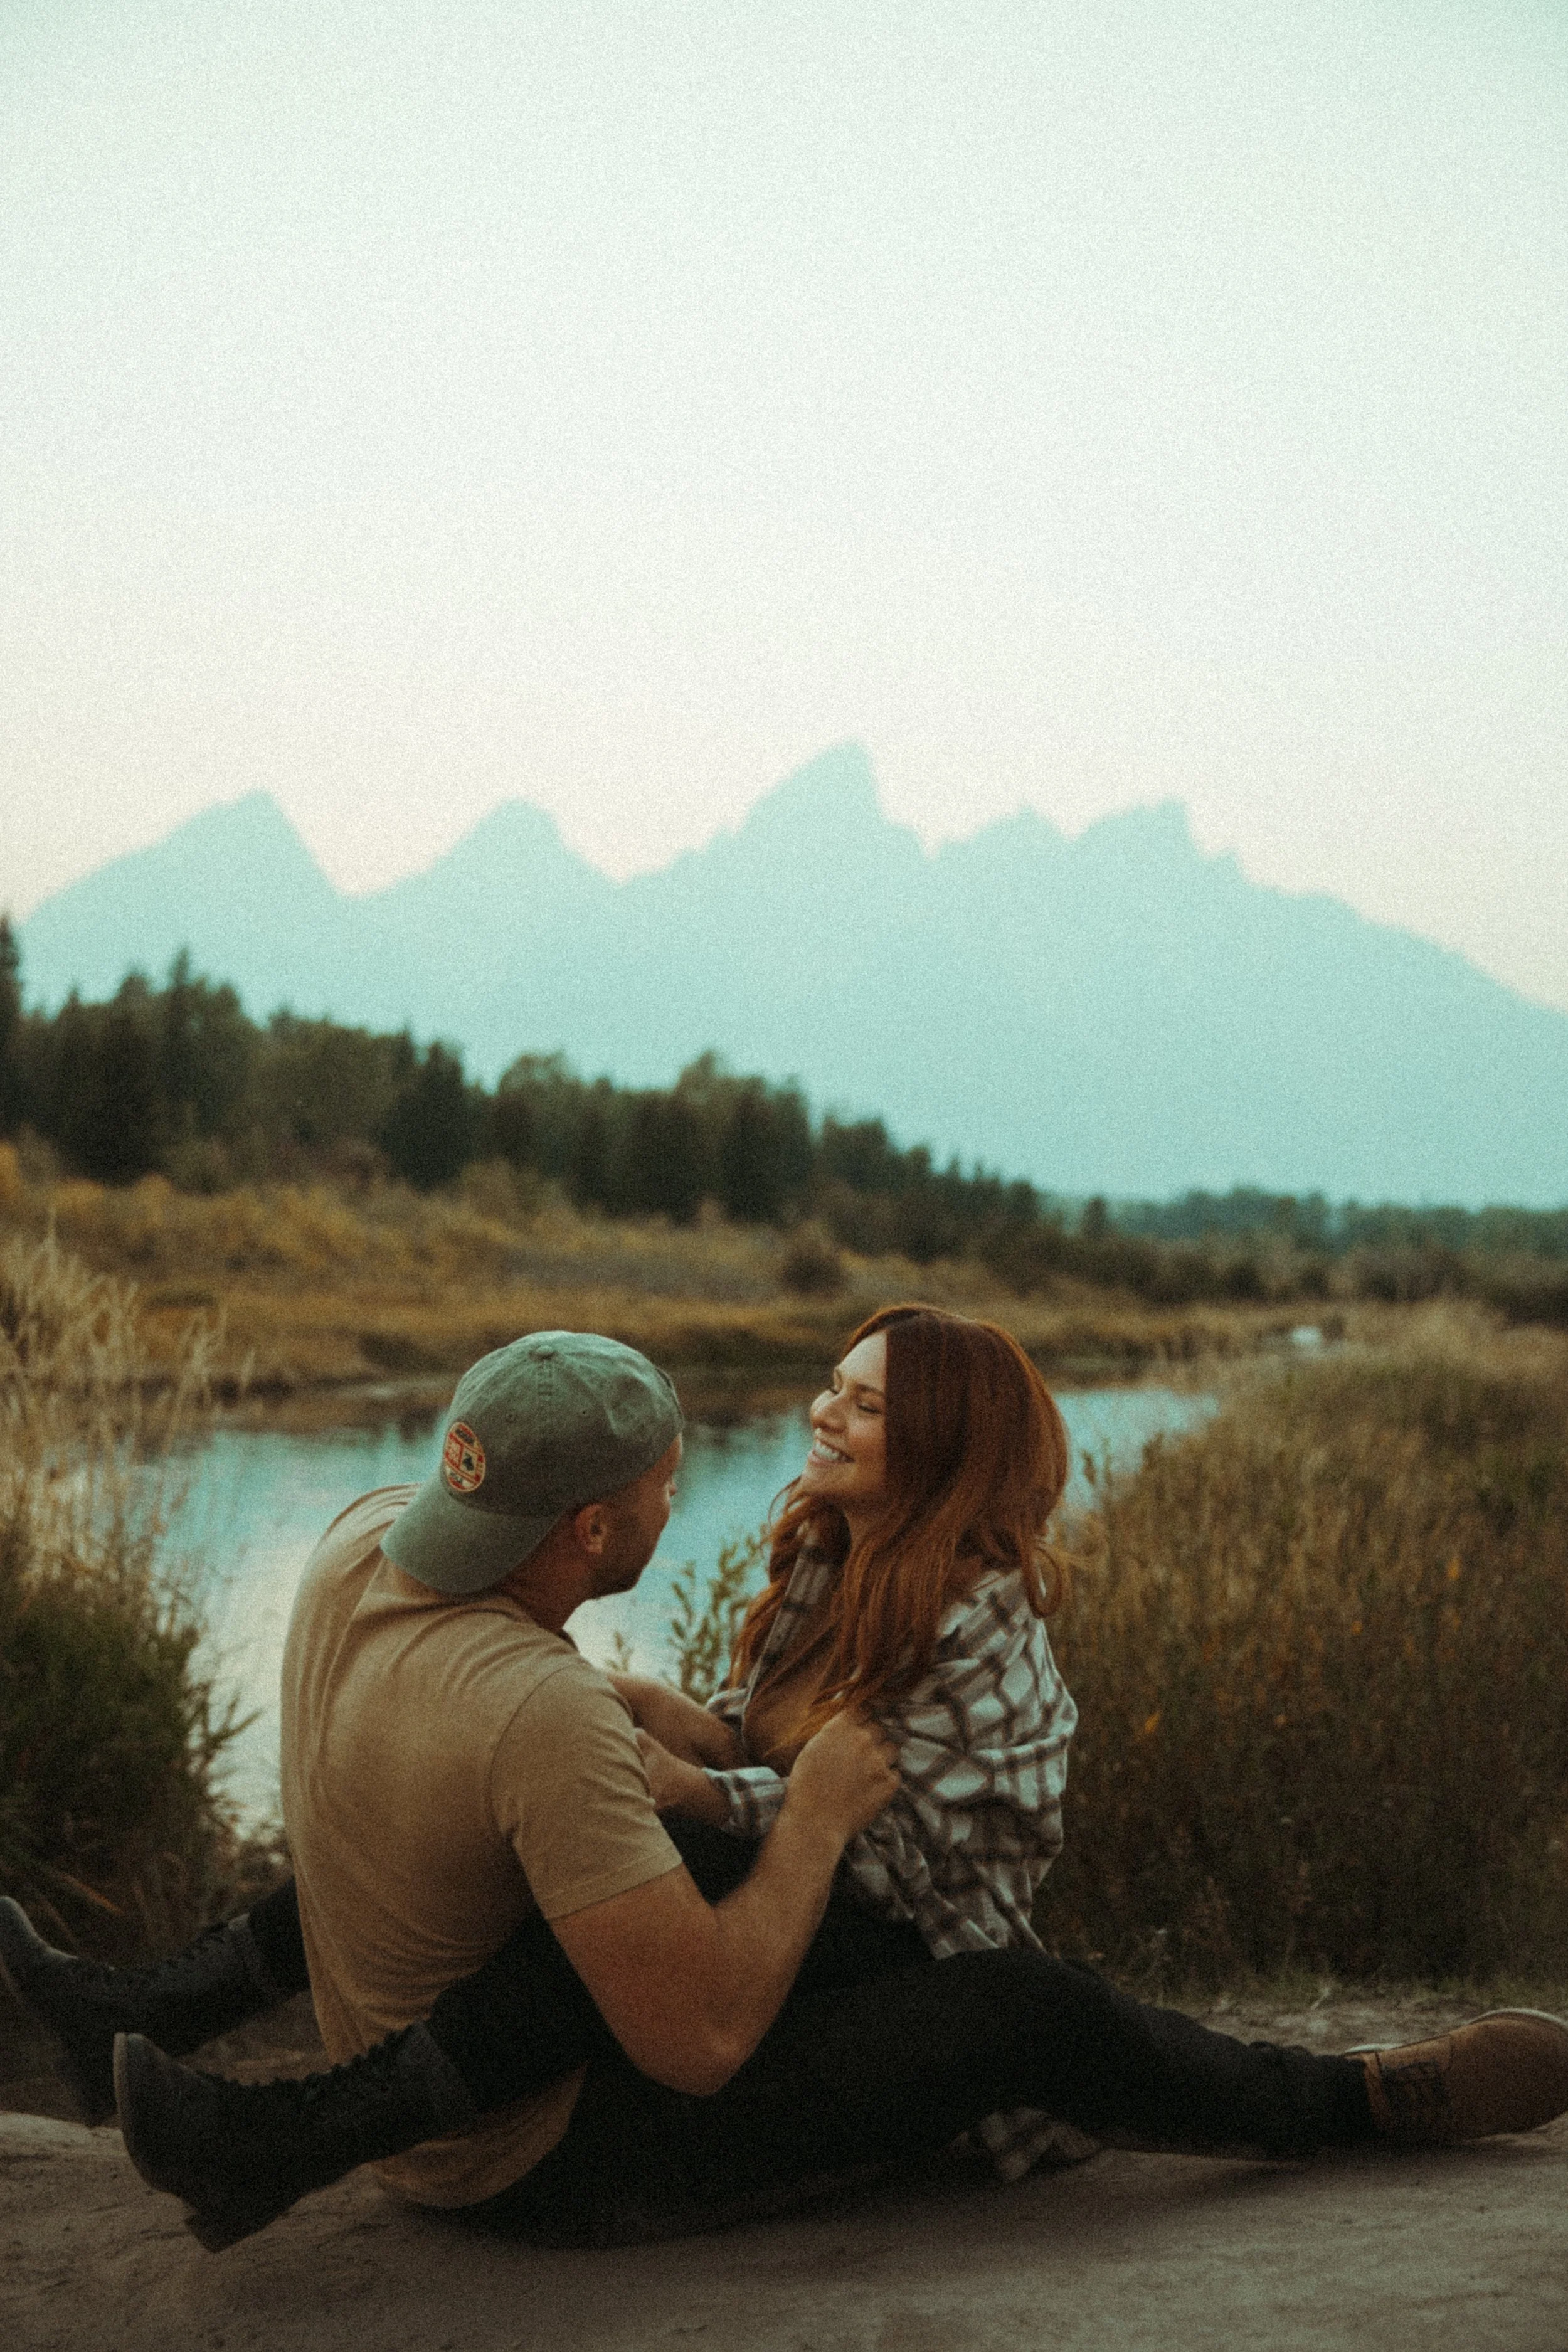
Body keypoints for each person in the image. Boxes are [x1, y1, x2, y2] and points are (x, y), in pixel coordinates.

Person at [5, 1319, 1568, 2255]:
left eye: (863, 1404)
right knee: (627, 1886)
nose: (820, 1415)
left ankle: (1357, 2105)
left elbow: (848, 1811)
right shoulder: (822, 1567)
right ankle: (219, 2084)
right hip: (620, 2113)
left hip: (900, 1921)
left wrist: (741, 1803)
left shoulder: (369, 1546)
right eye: (827, 1386)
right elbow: (780, 1785)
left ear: (943, 1450)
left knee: (1022, 1998)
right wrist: (723, 1761)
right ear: (593, 1528)